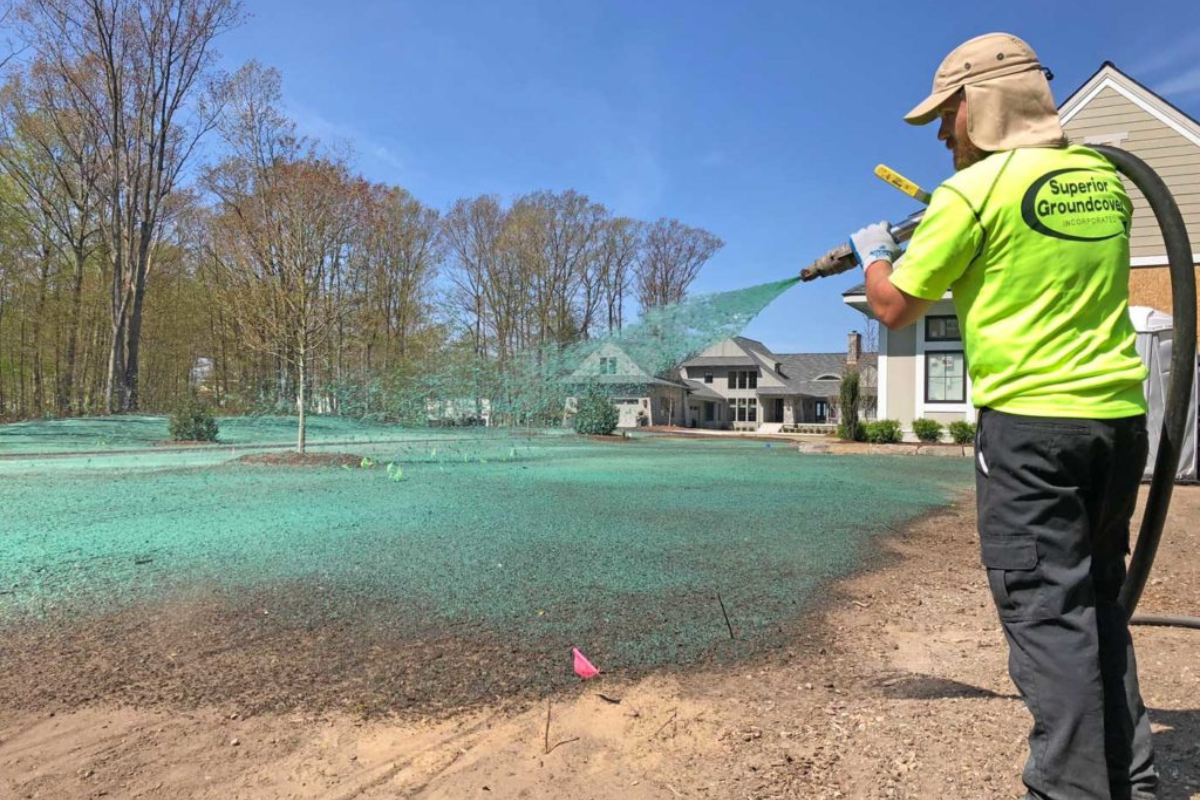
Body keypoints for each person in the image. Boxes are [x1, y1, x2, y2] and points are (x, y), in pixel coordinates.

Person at [849, 33, 1157, 800]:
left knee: (1047, 612)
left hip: (1032, 429)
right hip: (1117, 424)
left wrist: (872, 255)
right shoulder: (1101, 179)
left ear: (976, 107)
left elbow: (891, 308)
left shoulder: (970, 196)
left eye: (947, 119)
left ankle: (1069, 791)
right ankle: (1133, 781)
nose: (945, 135)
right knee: (1097, 600)